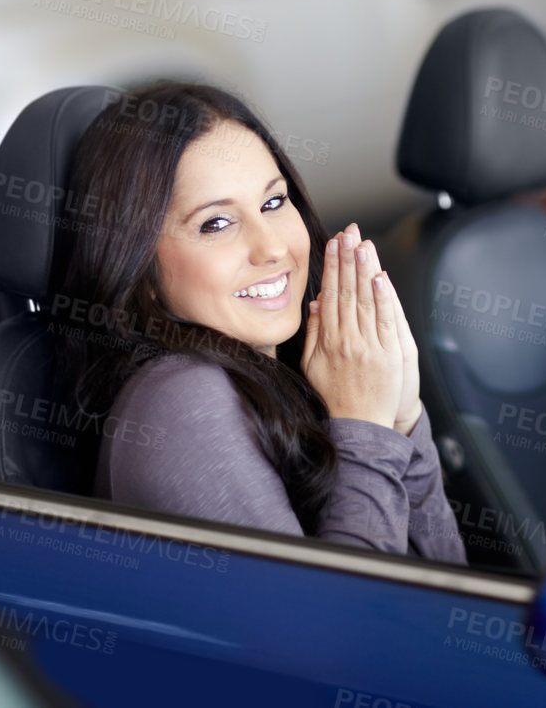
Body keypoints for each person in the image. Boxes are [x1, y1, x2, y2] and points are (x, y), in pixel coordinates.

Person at [49, 81, 464, 562]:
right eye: (217, 223)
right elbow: (336, 631)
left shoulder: (282, 374)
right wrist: (364, 427)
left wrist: (402, 418)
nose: (272, 248)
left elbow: (445, 586)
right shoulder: (181, 401)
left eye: (273, 203)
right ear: (140, 269)